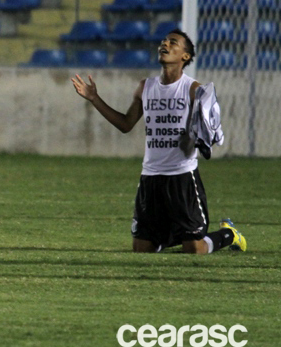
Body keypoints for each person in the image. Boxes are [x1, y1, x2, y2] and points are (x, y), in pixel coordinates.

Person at [71, 28, 247, 255]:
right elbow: (125, 124)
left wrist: (196, 138)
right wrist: (94, 98)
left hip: (181, 176)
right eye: (164, 41)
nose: (165, 44)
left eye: (173, 42)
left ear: (185, 56)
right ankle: (169, 237)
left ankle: (229, 234)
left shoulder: (193, 89)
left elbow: (207, 133)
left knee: (194, 248)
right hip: (151, 176)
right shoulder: (145, 87)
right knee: (142, 248)